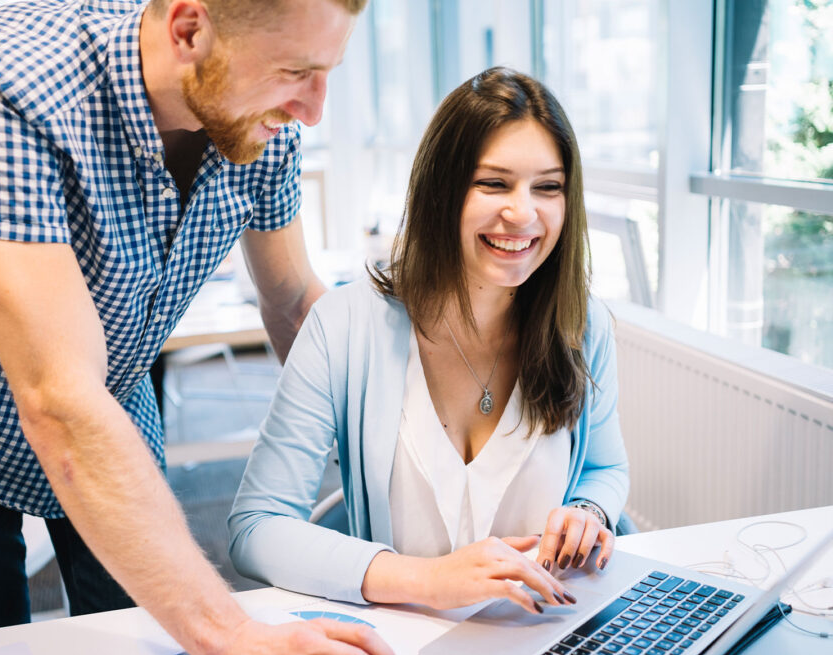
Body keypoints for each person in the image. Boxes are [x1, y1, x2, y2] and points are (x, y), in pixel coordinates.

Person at [0, 0, 399, 655]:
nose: (313, 110)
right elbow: (60, 399)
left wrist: (402, 461)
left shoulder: (264, 121)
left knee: (145, 638)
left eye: (326, 72)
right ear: (189, 30)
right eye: (295, 71)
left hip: (113, 390)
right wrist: (228, 634)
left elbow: (293, 302)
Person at [229, 67, 630, 614]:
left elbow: (605, 469)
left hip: (545, 636)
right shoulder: (343, 326)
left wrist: (589, 511)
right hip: (405, 642)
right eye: (493, 183)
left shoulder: (581, 325)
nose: (523, 213)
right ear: (441, 190)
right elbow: (255, 527)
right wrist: (425, 580)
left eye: (548, 187)